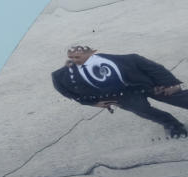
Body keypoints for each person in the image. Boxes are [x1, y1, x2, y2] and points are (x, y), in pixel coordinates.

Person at [52, 45, 188, 138]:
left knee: (179, 98)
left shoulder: (127, 59)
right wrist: (93, 103)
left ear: (92, 52)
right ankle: (173, 125)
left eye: (78, 57)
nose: (75, 61)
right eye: (72, 57)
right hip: (123, 96)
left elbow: (155, 69)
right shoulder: (61, 76)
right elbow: (67, 92)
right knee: (144, 111)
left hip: (147, 85)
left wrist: (171, 84)